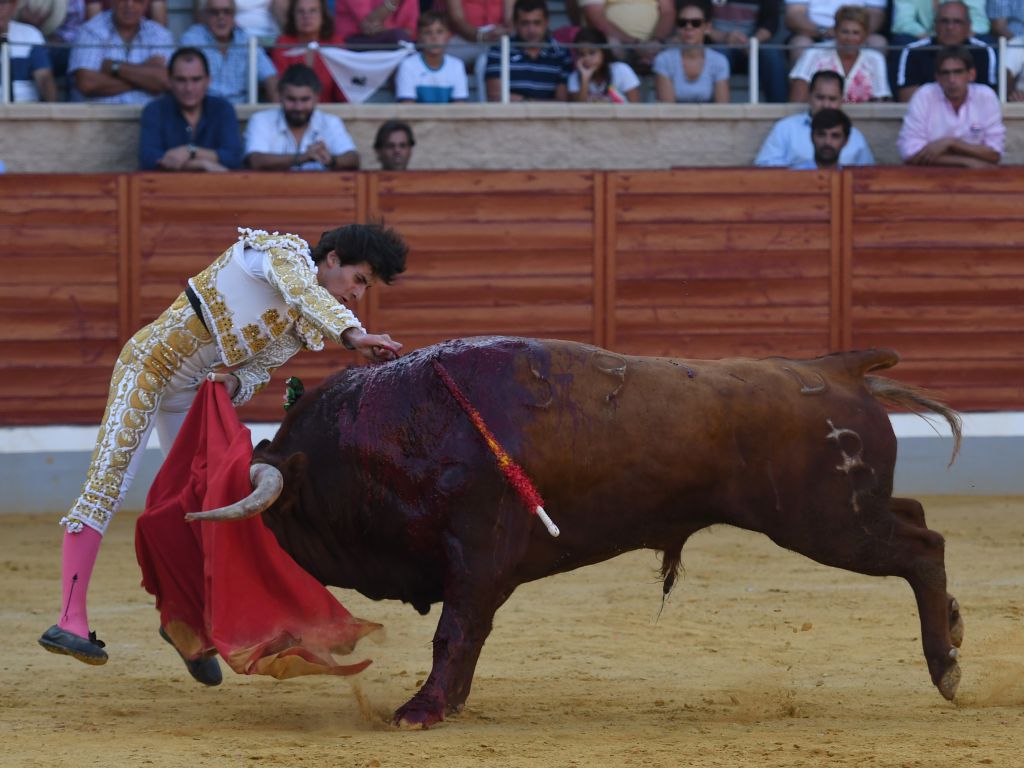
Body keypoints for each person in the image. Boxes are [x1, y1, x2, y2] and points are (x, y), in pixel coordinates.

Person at [37, 222, 408, 671]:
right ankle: (69, 621)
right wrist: (352, 334)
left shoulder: (304, 321)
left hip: (189, 391)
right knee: (106, 484)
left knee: (209, 498)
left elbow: (255, 372)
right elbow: (300, 290)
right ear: (332, 259)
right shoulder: (279, 254)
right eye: (359, 280)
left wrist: (234, 380)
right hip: (147, 367)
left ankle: (189, 624)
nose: (356, 295)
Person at [139, 47, 243, 172]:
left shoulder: (222, 109)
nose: (189, 88)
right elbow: (149, 159)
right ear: (170, 81)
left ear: (208, 81)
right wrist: (202, 164)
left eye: (196, 80)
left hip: (214, 188)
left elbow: (233, 157)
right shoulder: (155, 110)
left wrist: (191, 151)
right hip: (169, 189)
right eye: (181, 80)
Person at [897, 45, 1004, 166]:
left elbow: (994, 153)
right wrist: (966, 162)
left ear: (971, 75)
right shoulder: (924, 95)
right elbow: (909, 153)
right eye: (945, 73)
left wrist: (951, 143)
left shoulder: (986, 96)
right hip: (930, 177)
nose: (952, 80)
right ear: (937, 77)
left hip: (975, 178)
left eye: (958, 72)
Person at [244, 63, 359, 170]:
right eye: (291, 99)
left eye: (305, 99)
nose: (298, 107)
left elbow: (352, 159)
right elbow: (255, 160)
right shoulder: (261, 120)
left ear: (317, 97)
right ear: (280, 96)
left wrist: (331, 160)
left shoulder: (330, 122)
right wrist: (302, 158)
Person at [755, 69, 875, 166]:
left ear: (841, 100)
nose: (826, 105)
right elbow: (763, 167)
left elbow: (869, 177)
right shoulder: (786, 128)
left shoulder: (855, 136)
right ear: (809, 96)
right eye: (820, 98)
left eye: (832, 99)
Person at [68, 0, 173, 104]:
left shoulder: (160, 35)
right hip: (98, 118)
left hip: (147, 117)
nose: (129, 5)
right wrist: (146, 77)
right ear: (111, 2)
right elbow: (87, 84)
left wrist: (115, 67)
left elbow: (165, 81)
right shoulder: (91, 31)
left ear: (146, 4)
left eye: (138, 1)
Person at [180, 0, 279, 104]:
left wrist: (277, 113)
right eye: (214, 12)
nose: (221, 17)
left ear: (234, 15)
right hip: (204, 111)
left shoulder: (246, 40)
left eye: (227, 12)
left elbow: (270, 76)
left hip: (241, 112)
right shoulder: (192, 39)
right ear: (205, 15)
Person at [895, 0, 996, 101]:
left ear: (968, 26)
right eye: (944, 21)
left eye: (957, 22)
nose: (950, 27)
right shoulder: (914, 51)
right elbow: (907, 98)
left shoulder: (983, 51)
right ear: (935, 25)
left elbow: (987, 98)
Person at [788, 4, 890, 102]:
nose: (849, 38)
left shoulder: (875, 59)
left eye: (856, 33)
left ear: (865, 35)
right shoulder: (814, 54)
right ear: (835, 32)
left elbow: (881, 101)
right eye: (844, 32)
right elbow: (797, 102)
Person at [484, 0, 571, 101]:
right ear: (515, 24)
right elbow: (495, 96)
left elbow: (561, 102)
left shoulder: (561, 54)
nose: (531, 30)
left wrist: (524, 102)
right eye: (525, 23)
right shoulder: (499, 51)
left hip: (549, 116)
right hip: (510, 115)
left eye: (537, 23)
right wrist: (531, 104)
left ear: (547, 22)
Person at [707, 0, 788, 103]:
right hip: (719, 44)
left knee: (771, 54)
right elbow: (699, 20)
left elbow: (770, 24)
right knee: (718, 56)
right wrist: (725, 37)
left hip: (753, 45)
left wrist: (752, 42)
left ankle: (780, 112)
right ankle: (716, 114)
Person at [653, 0, 730, 103]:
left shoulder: (719, 61)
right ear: (677, 28)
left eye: (696, 23)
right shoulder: (664, 60)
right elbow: (668, 110)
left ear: (707, 28)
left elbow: (722, 109)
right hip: (674, 118)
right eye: (682, 23)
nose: (688, 27)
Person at [272, 0, 345, 102]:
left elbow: (343, 90)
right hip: (294, 111)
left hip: (329, 111)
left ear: (323, 16)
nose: (306, 16)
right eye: (301, 12)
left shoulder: (335, 44)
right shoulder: (283, 43)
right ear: (293, 16)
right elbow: (281, 87)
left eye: (313, 11)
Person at [575, 0, 674, 72]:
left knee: (680, 43)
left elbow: (668, 12)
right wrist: (635, 45)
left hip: (653, 43)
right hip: (615, 42)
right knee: (612, 44)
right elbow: (595, 17)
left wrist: (656, 41)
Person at [395, 10, 469, 102]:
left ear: (448, 36)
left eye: (439, 32)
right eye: (427, 32)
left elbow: (460, 106)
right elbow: (407, 107)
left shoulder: (457, 65)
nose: (434, 37)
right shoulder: (408, 65)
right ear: (419, 37)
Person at [783, 0, 886, 62]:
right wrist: (822, 31)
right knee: (800, 44)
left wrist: (854, 33)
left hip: (856, 32)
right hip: (814, 33)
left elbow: (876, 15)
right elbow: (794, 15)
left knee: (878, 43)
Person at [0, 0, 58, 101]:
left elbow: (44, 79)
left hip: (26, 109)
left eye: (3, 3)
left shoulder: (30, 34)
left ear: (14, 5)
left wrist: (54, 112)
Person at [568, 26, 641, 102]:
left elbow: (635, 106)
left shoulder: (621, 70)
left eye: (592, 53)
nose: (587, 59)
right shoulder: (574, 78)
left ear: (603, 52)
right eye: (581, 54)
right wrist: (585, 79)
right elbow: (579, 110)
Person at [442, 0, 512, 68]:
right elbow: (457, 20)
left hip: (498, 36)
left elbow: (511, 19)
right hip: (464, 38)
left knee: (485, 61)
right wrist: (481, 36)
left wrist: (504, 31)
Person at [891, 0, 990, 43]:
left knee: (985, 41)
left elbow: (979, 22)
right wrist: (929, 38)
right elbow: (902, 22)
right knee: (902, 41)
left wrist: (956, 35)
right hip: (922, 39)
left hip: (961, 38)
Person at [336, 0, 418, 47]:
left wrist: (385, 30)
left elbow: (411, 31)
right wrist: (394, 1)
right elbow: (368, 26)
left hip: (390, 41)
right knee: (398, 37)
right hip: (351, 42)